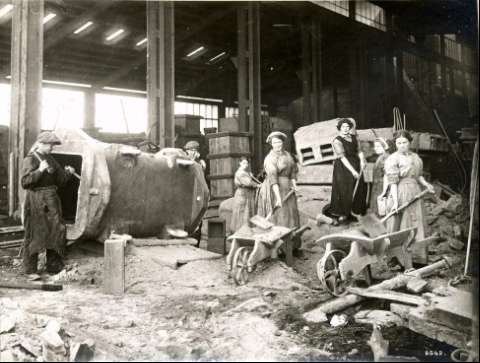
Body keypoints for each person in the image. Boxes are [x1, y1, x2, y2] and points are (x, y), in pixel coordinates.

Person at [21, 131, 76, 274]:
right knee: (34, 233)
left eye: (53, 145)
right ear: (40, 144)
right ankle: (30, 270)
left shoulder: (51, 159)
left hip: (52, 198)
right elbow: (25, 182)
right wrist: (39, 170)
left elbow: (61, 181)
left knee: (56, 230)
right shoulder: (30, 159)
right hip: (36, 200)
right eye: (50, 145)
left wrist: (68, 173)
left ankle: (53, 266)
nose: (52, 147)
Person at [384, 130, 435, 262]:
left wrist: (427, 185)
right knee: (403, 224)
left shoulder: (415, 157)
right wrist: (395, 202)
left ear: (409, 142)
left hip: (415, 193)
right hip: (401, 192)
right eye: (398, 143)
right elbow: (393, 183)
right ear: (395, 144)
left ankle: (418, 257)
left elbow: (419, 176)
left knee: (417, 222)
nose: (402, 145)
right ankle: (401, 259)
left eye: (404, 142)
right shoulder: (393, 159)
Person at [257, 131, 300, 230]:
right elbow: (273, 179)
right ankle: (280, 236)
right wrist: (278, 198)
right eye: (275, 143)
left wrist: (294, 185)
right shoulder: (270, 158)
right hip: (276, 188)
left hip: (288, 188)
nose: (278, 145)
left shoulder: (287, 155)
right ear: (271, 144)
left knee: (291, 211)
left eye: (279, 142)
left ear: (282, 142)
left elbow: (293, 171)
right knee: (281, 213)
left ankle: (292, 236)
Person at [328, 118, 367, 223]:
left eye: (347, 127)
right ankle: (343, 213)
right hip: (343, 168)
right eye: (343, 127)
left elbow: (359, 151)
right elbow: (343, 158)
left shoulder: (354, 138)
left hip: (356, 163)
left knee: (358, 187)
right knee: (344, 189)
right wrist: (353, 171)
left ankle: (356, 211)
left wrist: (362, 161)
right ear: (339, 128)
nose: (345, 129)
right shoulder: (337, 141)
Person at [230, 157, 261, 233]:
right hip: (242, 195)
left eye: (247, 163)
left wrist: (250, 176)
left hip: (247, 195)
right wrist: (258, 185)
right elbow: (248, 183)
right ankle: (241, 231)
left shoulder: (245, 173)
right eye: (244, 163)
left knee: (247, 212)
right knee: (243, 213)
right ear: (240, 163)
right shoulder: (240, 173)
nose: (246, 165)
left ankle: (247, 231)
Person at [369, 137, 390, 215]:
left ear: (384, 146)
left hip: (382, 186)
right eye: (375, 146)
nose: (375, 148)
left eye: (378, 146)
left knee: (381, 208)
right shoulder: (381, 157)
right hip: (378, 185)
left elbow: (387, 175)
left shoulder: (386, 158)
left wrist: (384, 191)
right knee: (378, 208)